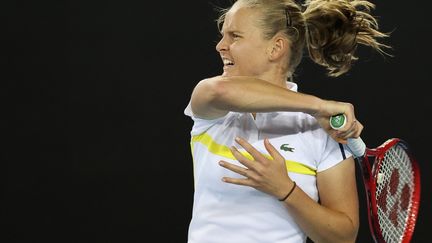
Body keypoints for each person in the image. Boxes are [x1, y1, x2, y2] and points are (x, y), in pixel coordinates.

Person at [183, 0, 389, 242]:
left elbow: (342, 237)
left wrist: (285, 190)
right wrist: (319, 107)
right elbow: (219, 91)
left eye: (235, 36)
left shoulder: (323, 132)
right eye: (223, 36)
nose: (221, 46)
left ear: (275, 48)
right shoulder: (213, 106)